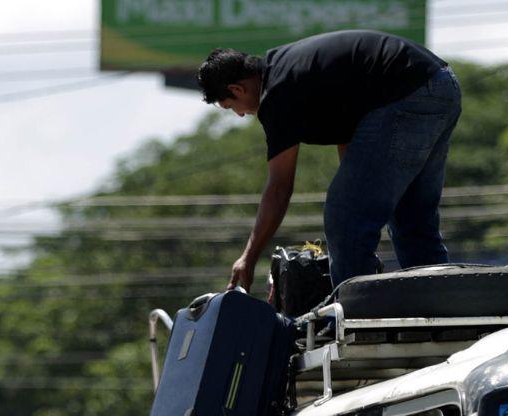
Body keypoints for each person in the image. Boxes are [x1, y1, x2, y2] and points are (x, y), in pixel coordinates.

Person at [197, 30, 462, 290]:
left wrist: (249, 257)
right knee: (412, 216)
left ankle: (359, 317)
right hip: (440, 84)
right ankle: (439, 306)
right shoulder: (287, 69)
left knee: (344, 216)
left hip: (407, 94)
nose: (241, 115)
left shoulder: (277, 95)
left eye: (231, 107)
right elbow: (353, 141)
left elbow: (279, 188)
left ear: (237, 89)